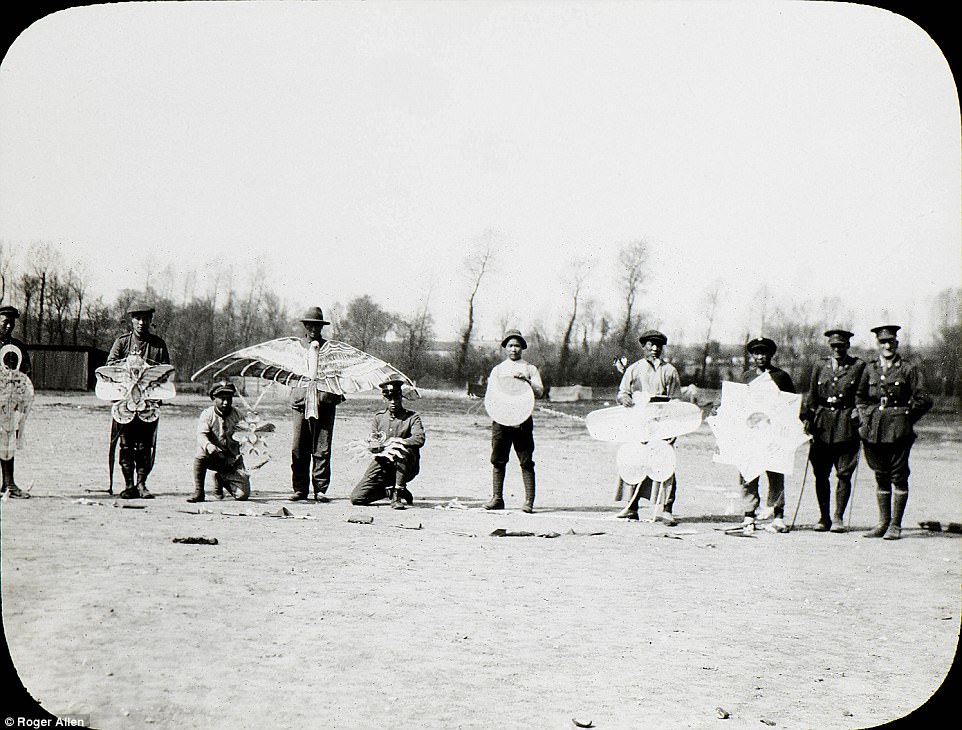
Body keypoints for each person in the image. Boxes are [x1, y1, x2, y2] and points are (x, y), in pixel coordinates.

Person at [856, 325, 932, 540]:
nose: (887, 346)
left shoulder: (908, 369)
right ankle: (882, 523)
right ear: (877, 344)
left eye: (891, 342)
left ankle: (895, 525)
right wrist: (864, 420)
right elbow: (860, 397)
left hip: (898, 431)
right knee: (880, 474)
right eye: (883, 342)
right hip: (873, 430)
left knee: (898, 475)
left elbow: (924, 399)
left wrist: (905, 419)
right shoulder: (870, 369)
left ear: (896, 344)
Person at [614, 329, 682, 524]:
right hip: (639, 423)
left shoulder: (669, 370)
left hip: (662, 424)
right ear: (643, 347)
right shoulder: (633, 369)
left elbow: (677, 400)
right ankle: (632, 507)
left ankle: (667, 508)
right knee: (635, 462)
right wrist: (625, 398)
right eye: (650, 345)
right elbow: (622, 392)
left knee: (665, 463)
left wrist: (673, 428)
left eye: (658, 345)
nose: (654, 349)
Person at [107, 302, 171, 499]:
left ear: (151, 320)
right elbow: (110, 368)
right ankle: (129, 485)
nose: (141, 322)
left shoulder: (158, 345)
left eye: (145, 318)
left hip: (148, 405)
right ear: (131, 320)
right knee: (125, 445)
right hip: (125, 404)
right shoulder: (122, 343)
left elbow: (166, 372)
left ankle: (142, 484)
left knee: (145, 446)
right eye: (137, 318)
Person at [803, 329, 866, 532]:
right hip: (822, 424)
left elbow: (861, 395)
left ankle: (838, 518)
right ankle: (824, 517)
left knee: (844, 473)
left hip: (846, 424)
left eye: (841, 346)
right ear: (830, 347)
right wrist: (806, 417)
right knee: (820, 473)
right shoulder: (820, 365)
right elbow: (812, 395)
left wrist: (860, 413)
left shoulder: (858, 366)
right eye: (834, 346)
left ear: (848, 346)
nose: (838, 350)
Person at [739, 336, 796, 533]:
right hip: (752, 434)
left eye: (764, 353)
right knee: (748, 473)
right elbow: (738, 405)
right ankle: (749, 514)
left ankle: (778, 514)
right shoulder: (746, 377)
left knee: (776, 472)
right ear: (752, 355)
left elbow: (791, 405)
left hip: (774, 434)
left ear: (771, 354)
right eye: (756, 353)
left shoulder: (781, 377)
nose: (760, 357)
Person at [484, 329, 544, 513]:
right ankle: (497, 498)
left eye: (517, 345)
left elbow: (540, 392)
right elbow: (491, 396)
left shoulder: (530, 368)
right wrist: (500, 414)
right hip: (501, 420)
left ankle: (528, 501)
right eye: (510, 345)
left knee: (526, 460)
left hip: (523, 420)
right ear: (505, 348)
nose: (513, 349)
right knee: (498, 459)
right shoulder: (498, 370)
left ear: (522, 348)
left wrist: (527, 380)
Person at [290, 306, 344, 502]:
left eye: (317, 326)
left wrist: (335, 394)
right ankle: (299, 488)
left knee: (322, 448)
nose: (314, 329)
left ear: (321, 327)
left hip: (325, 404)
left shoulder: (330, 349)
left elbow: (339, 375)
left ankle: (320, 489)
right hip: (301, 403)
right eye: (310, 325)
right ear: (305, 326)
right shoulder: (295, 348)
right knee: (299, 447)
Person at [350, 378, 425, 510]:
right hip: (384, 463)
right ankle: (389, 492)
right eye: (389, 398)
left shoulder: (412, 417)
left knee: (400, 449)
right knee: (357, 498)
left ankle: (398, 493)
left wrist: (398, 442)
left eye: (396, 398)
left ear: (401, 397)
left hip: (406, 465)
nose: (393, 402)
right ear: (384, 399)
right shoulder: (379, 418)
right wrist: (373, 446)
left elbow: (419, 439)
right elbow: (374, 439)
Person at [187, 381, 251, 503]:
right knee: (200, 454)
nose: (226, 402)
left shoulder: (239, 415)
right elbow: (201, 435)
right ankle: (199, 491)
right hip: (214, 455)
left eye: (229, 399)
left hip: (233, 459)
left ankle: (221, 478)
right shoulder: (207, 414)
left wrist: (253, 426)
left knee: (242, 495)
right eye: (221, 399)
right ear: (213, 399)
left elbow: (248, 436)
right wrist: (209, 445)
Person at [0, 305, 32, 498]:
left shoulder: (17, 347)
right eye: (5, 322)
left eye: (12, 322)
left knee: (8, 442)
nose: (9, 326)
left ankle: (9, 484)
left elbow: (26, 373)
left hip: (8, 405)